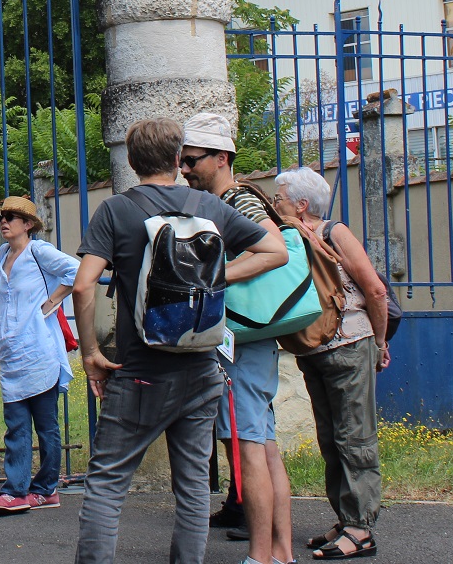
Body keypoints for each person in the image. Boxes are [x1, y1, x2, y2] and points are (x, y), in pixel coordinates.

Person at [71, 116, 286, 564]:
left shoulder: (116, 210)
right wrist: (210, 279)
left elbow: (82, 285)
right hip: (202, 367)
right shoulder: (209, 207)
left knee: (108, 484)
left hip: (141, 373)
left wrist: (91, 352)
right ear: (176, 159)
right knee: (191, 486)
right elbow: (275, 251)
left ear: (130, 161)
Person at [180, 111, 293, 564]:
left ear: (222, 157)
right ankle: (281, 553)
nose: (185, 169)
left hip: (240, 343)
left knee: (248, 448)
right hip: (252, 341)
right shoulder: (238, 199)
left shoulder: (235, 201)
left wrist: (214, 277)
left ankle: (261, 557)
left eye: (192, 160)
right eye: (182, 161)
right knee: (262, 446)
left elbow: (275, 251)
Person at [273, 167, 389, 561]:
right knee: (331, 438)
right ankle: (346, 518)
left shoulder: (334, 232)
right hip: (315, 350)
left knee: (353, 437)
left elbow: (374, 288)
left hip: (350, 344)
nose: (275, 204)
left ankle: (361, 530)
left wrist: (380, 339)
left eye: (280, 198)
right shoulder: (287, 235)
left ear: (302, 204)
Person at [0, 195, 79, 513]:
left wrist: (51, 302)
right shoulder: (0, 255)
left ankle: (45, 488)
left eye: (11, 217)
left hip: (40, 351)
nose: (4, 222)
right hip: (12, 353)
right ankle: (16, 490)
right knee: (15, 425)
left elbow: (76, 271)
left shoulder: (39, 252)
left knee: (46, 425)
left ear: (28, 224)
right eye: (2, 216)